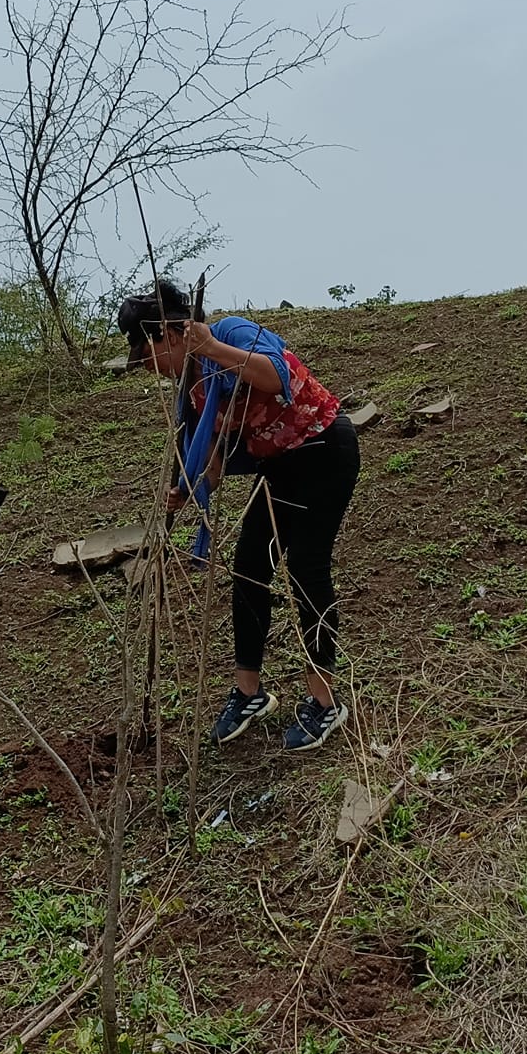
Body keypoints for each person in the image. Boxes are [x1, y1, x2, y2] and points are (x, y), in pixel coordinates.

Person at [118, 280, 360, 753]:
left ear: (168, 335)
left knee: (307, 568)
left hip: (324, 449)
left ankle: (325, 700)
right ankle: (249, 692)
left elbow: (278, 379)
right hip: (278, 466)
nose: (153, 370)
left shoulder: (230, 334)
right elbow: (211, 459)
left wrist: (211, 346)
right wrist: (186, 493)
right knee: (250, 570)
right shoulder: (194, 393)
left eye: (149, 358)